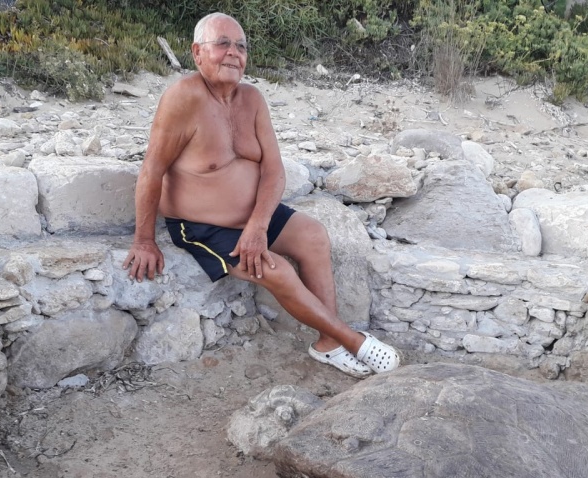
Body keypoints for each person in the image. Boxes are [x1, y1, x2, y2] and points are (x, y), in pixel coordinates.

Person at [124, 12, 401, 378]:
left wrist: (258, 224)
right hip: (205, 226)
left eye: (241, 46)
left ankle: (328, 345)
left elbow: (274, 170)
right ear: (197, 52)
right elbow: (151, 170)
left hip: (255, 215)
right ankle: (353, 341)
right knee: (277, 270)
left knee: (314, 236)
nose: (233, 53)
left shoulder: (251, 98)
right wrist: (144, 240)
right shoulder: (183, 98)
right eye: (222, 44)